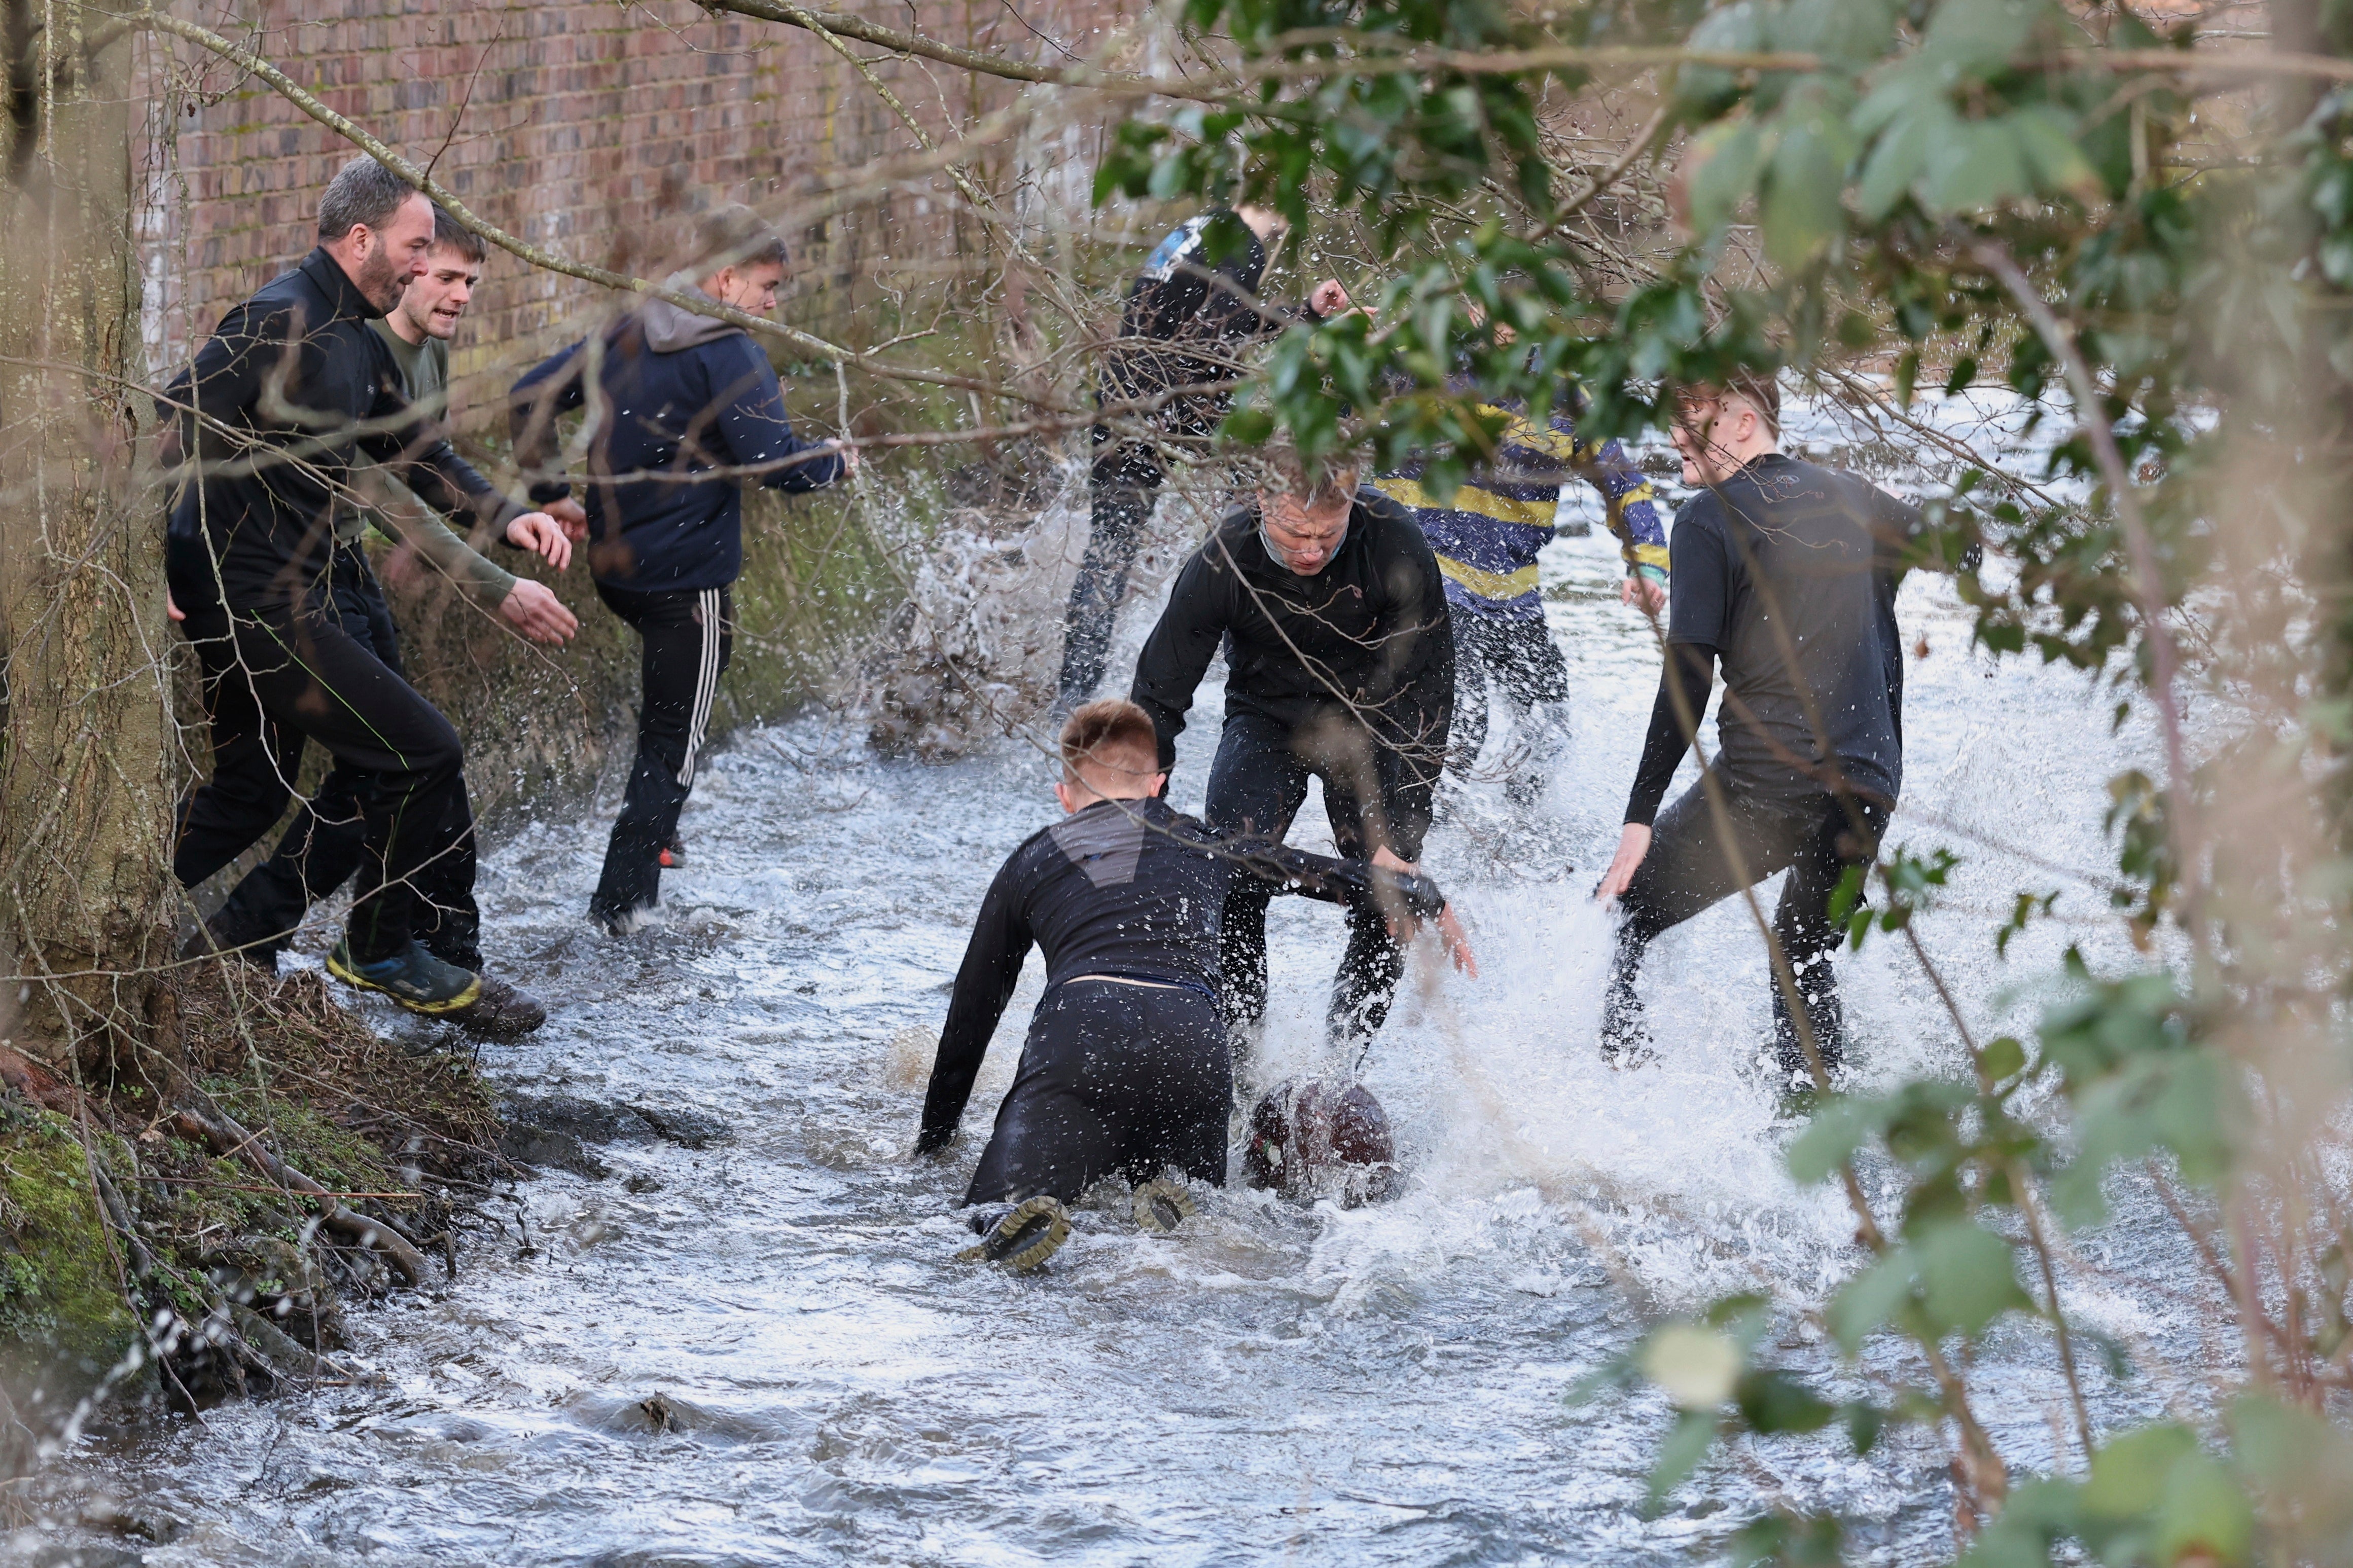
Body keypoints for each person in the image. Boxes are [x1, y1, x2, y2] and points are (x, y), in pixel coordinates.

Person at [164, 155, 569, 1033]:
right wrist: (168, 566)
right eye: (417, 249)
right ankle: (373, 944)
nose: (426, 268)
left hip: (283, 591)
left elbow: (418, 452)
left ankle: (100, 924)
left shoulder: (355, 334)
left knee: (251, 792)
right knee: (419, 749)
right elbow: (166, 430)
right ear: (361, 240)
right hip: (255, 601)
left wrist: (509, 518)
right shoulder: (277, 320)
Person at [916, 700, 1474, 1271]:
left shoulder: (1031, 859)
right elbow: (1327, 876)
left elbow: (972, 1015)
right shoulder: (1206, 841)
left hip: (1084, 1029)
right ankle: (1160, 1194)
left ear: (1065, 796)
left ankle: (1021, 1214)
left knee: (991, 1217)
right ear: (1157, 785)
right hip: (1190, 1044)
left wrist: (933, 1143)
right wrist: (1425, 896)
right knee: (1193, 1206)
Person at [1592, 375, 1968, 1082]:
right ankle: (1817, 1138)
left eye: (1690, 417)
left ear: (1741, 423)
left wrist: (1639, 816)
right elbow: (1960, 550)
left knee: (1618, 915)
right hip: (1868, 786)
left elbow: (1690, 675)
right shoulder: (1855, 498)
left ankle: (1617, 1101)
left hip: (1773, 783)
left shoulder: (1709, 517)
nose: (1674, 434)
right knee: (1801, 963)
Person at [509, 204, 857, 935]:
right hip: (686, 587)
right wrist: (838, 460)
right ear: (723, 278)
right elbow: (777, 464)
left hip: (618, 569)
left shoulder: (630, 328)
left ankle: (656, 841)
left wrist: (552, 496)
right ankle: (621, 915)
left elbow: (528, 397)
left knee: (671, 725)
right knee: (673, 746)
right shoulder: (729, 353)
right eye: (766, 286)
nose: (773, 303)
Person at [1129, 447, 1454, 1053]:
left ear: (1352, 501)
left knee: (1389, 896)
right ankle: (1240, 1064)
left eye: (1326, 535)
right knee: (1231, 876)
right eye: (1295, 533)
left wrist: (1401, 830)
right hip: (1265, 718)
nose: (1310, 550)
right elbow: (1159, 687)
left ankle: (1340, 1073)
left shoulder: (1393, 542)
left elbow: (1428, 696)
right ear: (1260, 503)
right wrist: (1142, 795)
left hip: (1372, 727)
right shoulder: (1224, 554)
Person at [1054, 206, 1353, 711]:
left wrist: (1303, 314)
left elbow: (1200, 321)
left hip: (1122, 406)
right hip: (1171, 412)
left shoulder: (1200, 229)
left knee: (1108, 554)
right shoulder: (1243, 247)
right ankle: (1278, 671)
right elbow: (1216, 335)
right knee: (1270, 512)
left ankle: (1070, 699)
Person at [1372, 382, 1668, 807]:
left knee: (1548, 727)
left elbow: (1623, 483)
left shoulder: (1566, 393)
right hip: (1431, 576)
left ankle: (1512, 840)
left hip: (1514, 593)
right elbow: (1320, 405)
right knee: (1461, 720)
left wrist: (1646, 562)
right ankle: (1417, 841)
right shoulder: (1420, 359)